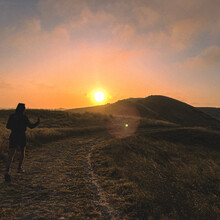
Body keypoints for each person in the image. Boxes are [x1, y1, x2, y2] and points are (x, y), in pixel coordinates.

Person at [4, 103, 40, 181]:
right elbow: (31, 126)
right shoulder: (24, 117)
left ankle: (7, 170)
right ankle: (19, 168)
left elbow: (7, 126)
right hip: (21, 136)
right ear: (23, 109)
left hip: (13, 135)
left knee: (11, 153)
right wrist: (37, 122)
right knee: (22, 152)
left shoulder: (12, 116)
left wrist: (14, 127)